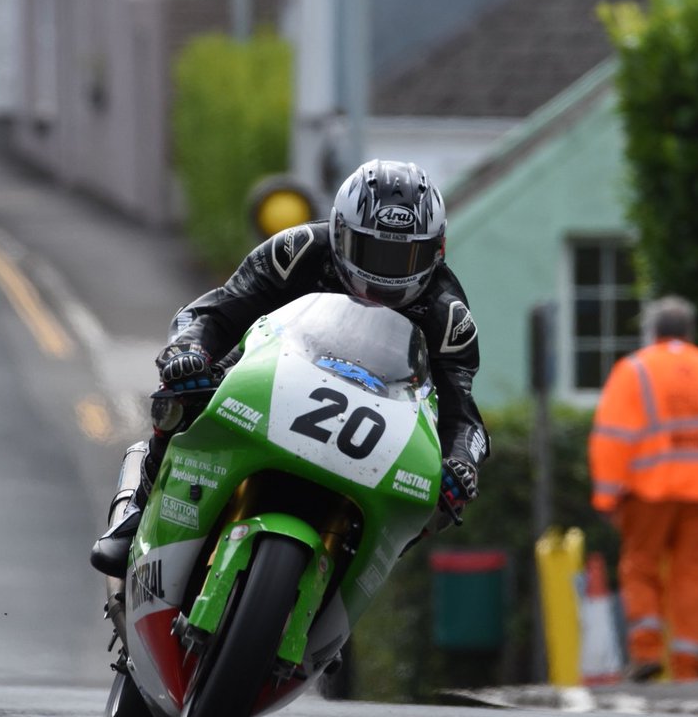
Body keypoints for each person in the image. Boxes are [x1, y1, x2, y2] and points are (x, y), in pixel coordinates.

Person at [91, 159, 489, 576]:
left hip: (375, 425)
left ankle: (355, 576)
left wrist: (461, 461)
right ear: (339, 233)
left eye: (404, 257)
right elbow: (213, 312)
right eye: (372, 250)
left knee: (441, 495)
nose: (384, 274)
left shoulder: (449, 317)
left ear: (436, 251)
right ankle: (139, 509)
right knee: (184, 390)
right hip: (272, 375)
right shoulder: (295, 251)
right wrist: (188, 351)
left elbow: (466, 416)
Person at [589, 295, 698, 682]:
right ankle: (688, 666)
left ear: (652, 331)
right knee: (695, 574)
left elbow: (611, 437)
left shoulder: (635, 370)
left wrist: (607, 496)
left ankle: (647, 650)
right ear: (689, 331)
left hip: (649, 490)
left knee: (640, 566)